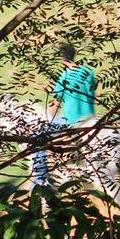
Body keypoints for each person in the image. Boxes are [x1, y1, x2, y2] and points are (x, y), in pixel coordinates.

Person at [32, 43, 97, 185]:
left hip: (72, 121)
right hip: (90, 117)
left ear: (61, 58)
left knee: (38, 138)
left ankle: (38, 181)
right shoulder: (89, 72)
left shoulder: (64, 77)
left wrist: (47, 115)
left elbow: (55, 105)